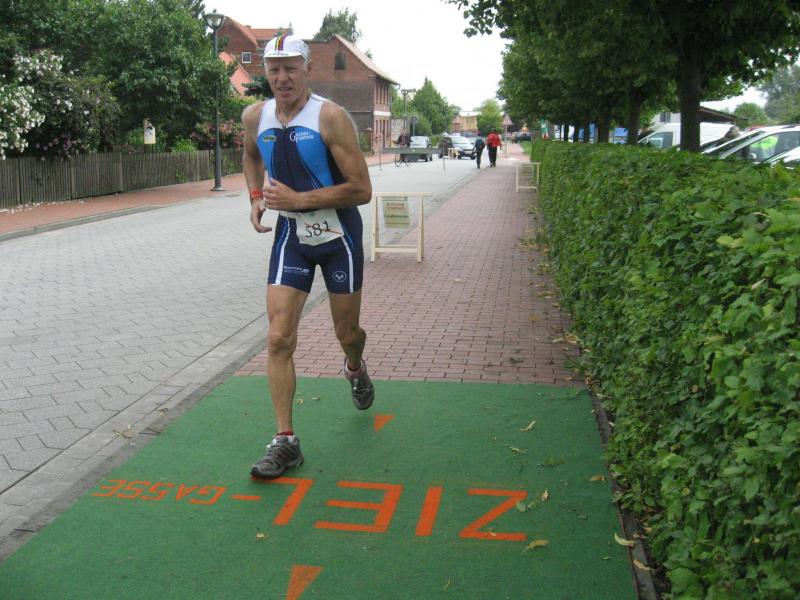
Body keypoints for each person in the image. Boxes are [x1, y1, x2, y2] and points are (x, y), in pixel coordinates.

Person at [241, 34, 375, 479]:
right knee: (279, 337)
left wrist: (300, 200)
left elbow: (362, 189)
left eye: (290, 68)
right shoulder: (255, 116)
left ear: (307, 69)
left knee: (347, 332)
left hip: (339, 236)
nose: (282, 78)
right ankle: (285, 441)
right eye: (274, 69)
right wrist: (256, 196)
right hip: (291, 237)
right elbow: (250, 156)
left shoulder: (330, 117)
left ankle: (354, 366)